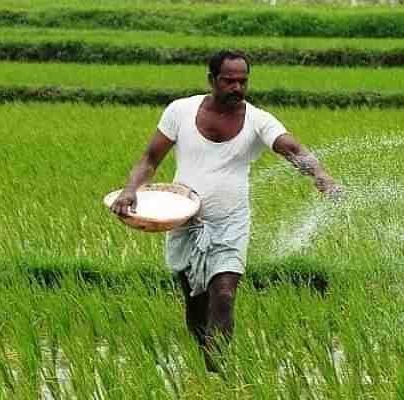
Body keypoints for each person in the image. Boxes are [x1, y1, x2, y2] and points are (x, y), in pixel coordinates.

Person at [110, 49, 341, 372]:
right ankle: (207, 362)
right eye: (229, 81)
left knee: (224, 292)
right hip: (184, 220)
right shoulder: (180, 111)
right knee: (195, 302)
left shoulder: (258, 120)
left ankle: (220, 371)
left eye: (242, 81)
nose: (237, 88)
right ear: (212, 80)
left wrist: (321, 176)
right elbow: (150, 159)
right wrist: (130, 190)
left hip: (230, 222)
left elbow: (292, 148)